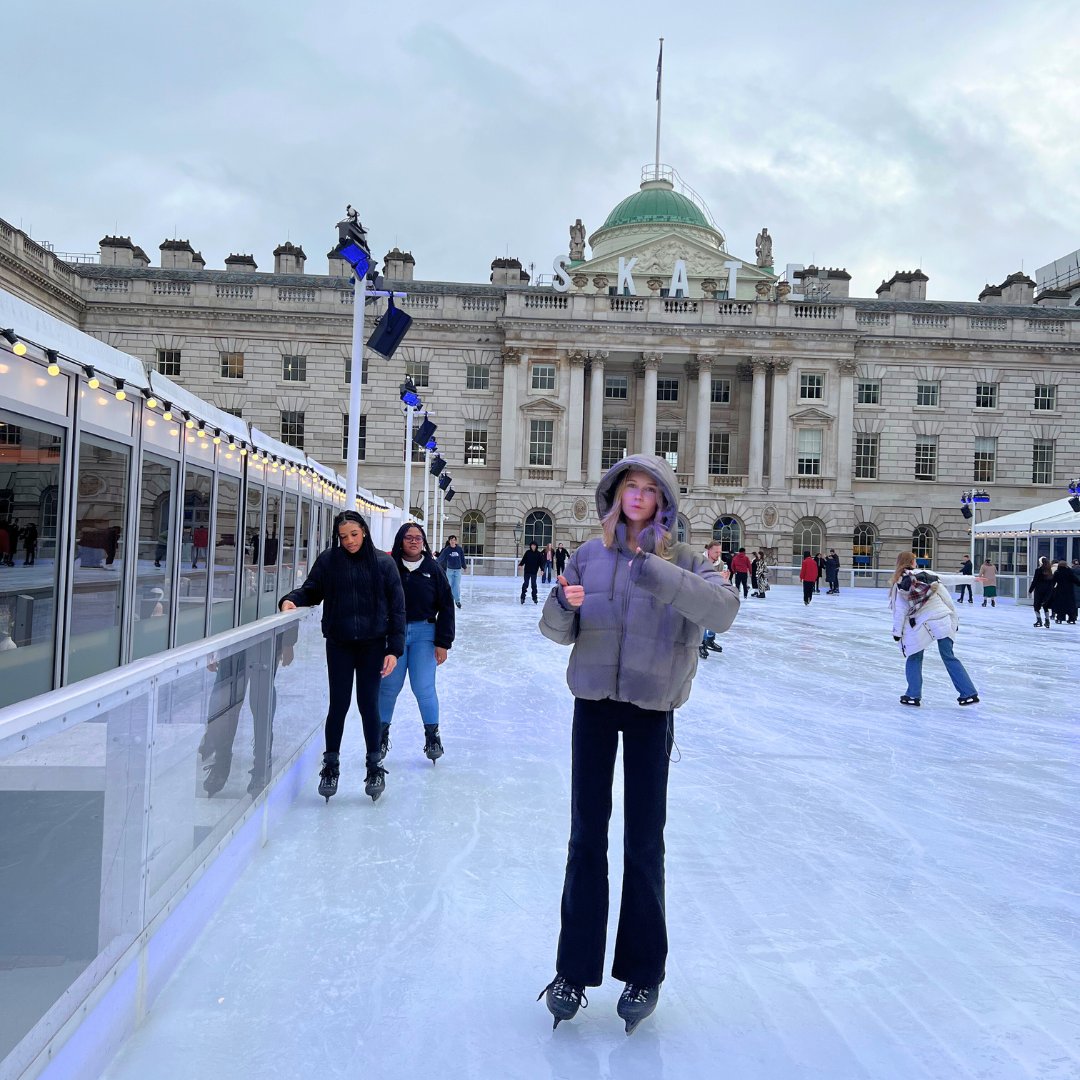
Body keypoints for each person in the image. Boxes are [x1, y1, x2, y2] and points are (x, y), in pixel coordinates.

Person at [537, 454, 740, 1034]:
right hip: (594, 703)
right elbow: (555, 631)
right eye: (631, 485)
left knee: (645, 842)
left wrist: (655, 568)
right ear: (616, 493)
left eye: (650, 488)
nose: (638, 495)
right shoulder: (588, 554)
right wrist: (562, 605)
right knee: (586, 837)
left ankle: (643, 972)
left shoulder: (688, 560)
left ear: (663, 502)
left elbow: (723, 612)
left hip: (653, 707)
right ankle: (572, 971)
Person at [279, 510, 404, 803]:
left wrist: (394, 649)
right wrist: (291, 599)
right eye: (343, 536)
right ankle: (331, 766)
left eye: (354, 535)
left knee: (368, 705)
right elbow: (312, 590)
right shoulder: (329, 561)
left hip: (373, 644)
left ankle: (374, 766)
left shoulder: (384, 564)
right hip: (339, 644)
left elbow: (398, 609)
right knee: (338, 704)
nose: (349, 541)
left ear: (364, 532)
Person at [379, 523, 455, 764]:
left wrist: (443, 642)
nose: (413, 541)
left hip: (425, 634)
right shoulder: (389, 567)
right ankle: (379, 737)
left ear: (423, 541)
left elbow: (446, 606)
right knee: (389, 687)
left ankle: (433, 737)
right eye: (408, 537)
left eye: (418, 538)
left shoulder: (434, 569)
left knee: (424, 687)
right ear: (400, 540)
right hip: (394, 634)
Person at [889, 551, 978, 707]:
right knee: (948, 656)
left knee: (914, 656)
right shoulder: (928, 574)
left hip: (921, 624)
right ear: (912, 562)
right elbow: (949, 582)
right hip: (942, 618)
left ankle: (913, 695)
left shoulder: (901, 582)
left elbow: (900, 611)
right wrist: (973, 579)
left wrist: (897, 633)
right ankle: (968, 693)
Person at [699, 540, 728, 658]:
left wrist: (725, 579)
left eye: (720, 552)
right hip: (702, 594)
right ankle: (701, 643)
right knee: (702, 619)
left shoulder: (721, 563)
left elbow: (723, 580)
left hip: (715, 594)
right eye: (716, 552)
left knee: (714, 617)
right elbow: (699, 577)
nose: (718, 554)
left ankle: (710, 640)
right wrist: (718, 575)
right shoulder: (700, 561)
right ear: (709, 550)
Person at [436, 533, 468, 609]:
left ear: (456, 541)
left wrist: (464, 566)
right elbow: (441, 558)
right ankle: (447, 601)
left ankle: (457, 601)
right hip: (449, 570)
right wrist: (434, 563)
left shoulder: (459, 549)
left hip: (457, 571)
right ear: (449, 541)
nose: (453, 541)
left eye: (454, 540)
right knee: (448, 586)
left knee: (456, 586)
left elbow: (462, 558)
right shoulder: (447, 550)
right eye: (451, 540)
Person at [1049, 559, 1079, 625]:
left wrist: (1050, 589)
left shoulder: (1057, 572)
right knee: (1070, 605)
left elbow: (1053, 582)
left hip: (1060, 591)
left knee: (1060, 605)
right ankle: (1071, 618)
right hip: (1069, 591)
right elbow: (1075, 580)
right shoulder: (1069, 572)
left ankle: (1060, 618)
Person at [1028, 557, 1054, 627]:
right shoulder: (1049, 570)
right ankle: (1047, 621)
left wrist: (1030, 590)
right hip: (1048, 590)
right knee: (1045, 606)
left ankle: (1039, 620)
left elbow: (1035, 581)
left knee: (1036, 606)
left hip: (1039, 590)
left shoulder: (1038, 570)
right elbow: (1051, 582)